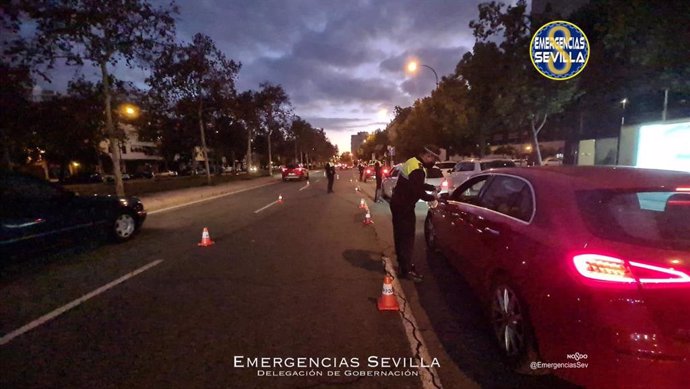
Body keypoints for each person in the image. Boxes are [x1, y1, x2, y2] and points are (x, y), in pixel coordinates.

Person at [390, 145, 440, 283]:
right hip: (404, 207)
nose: (433, 161)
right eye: (433, 158)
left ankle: (403, 266)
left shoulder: (412, 162)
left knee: (400, 236)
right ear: (427, 156)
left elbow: (415, 184)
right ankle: (406, 271)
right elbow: (417, 191)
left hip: (398, 204)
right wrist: (433, 198)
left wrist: (431, 187)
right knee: (407, 238)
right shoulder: (418, 168)